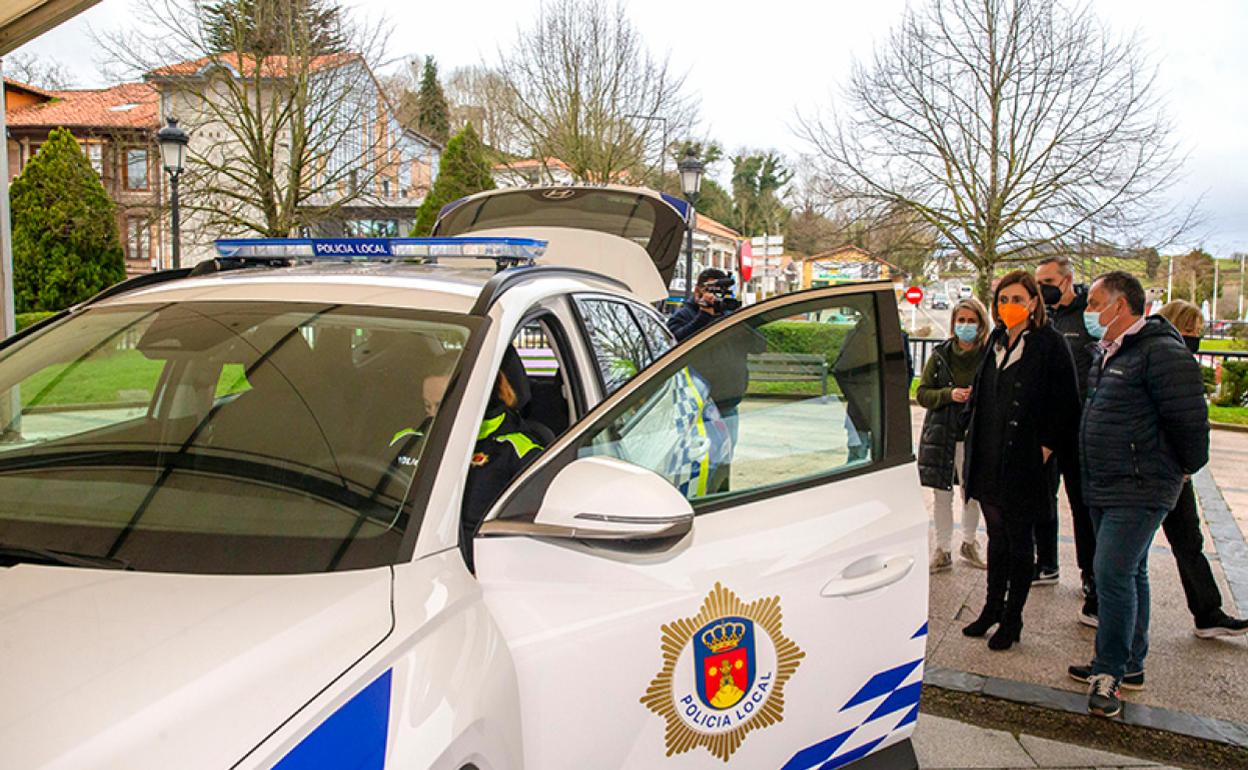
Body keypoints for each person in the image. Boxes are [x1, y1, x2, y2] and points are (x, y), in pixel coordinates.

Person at [1070, 272, 1210, 719]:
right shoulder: (1110, 352)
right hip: (1106, 481)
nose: (1088, 311)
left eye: (1094, 302)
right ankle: (1131, 663)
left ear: (1121, 306)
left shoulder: (1161, 353)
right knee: (1132, 572)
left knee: (1110, 573)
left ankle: (1108, 673)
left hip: (1140, 484)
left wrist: (1179, 470)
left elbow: (1191, 423)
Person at [960, 271, 1081, 651]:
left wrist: (1044, 448)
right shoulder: (996, 340)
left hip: (1024, 459)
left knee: (1018, 542)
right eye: (1002, 300)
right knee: (995, 538)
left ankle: (1013, 618)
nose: (1008, 307)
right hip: (988, 456)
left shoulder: (1050, 344)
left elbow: (1066, 405)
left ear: (1033, 302)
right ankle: (992, 607)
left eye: (1016, 299)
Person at [1034, 258, 1098, 601]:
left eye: (1048, 279)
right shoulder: (1043, 316)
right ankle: (1045, 562)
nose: (1042, 286)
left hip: (1079, 428)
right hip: (1046, 426)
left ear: (1067, 279)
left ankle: (1090, 573)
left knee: (1081, 504)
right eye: (1038, 280)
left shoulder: (1089, 315)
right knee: (1041, 497)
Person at [917, 297, 990, 572]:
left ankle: (969, 543)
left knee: (972, 494)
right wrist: (950, 394)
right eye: (961, 320)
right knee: (942, 495)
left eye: (971, 321)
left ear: (981, 323)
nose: (966, 326)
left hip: (975, 435)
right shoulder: (940, 355)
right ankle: (943, 549)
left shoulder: (988, 355)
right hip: (943, 434)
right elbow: (922, 393)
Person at [668, 268, 737, 342]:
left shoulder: (728, 314)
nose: (714, 296)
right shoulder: (683, 315)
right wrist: (704, 315)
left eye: (719, 292)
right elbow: (674, 341)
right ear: (697, 291)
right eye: (710, 290)